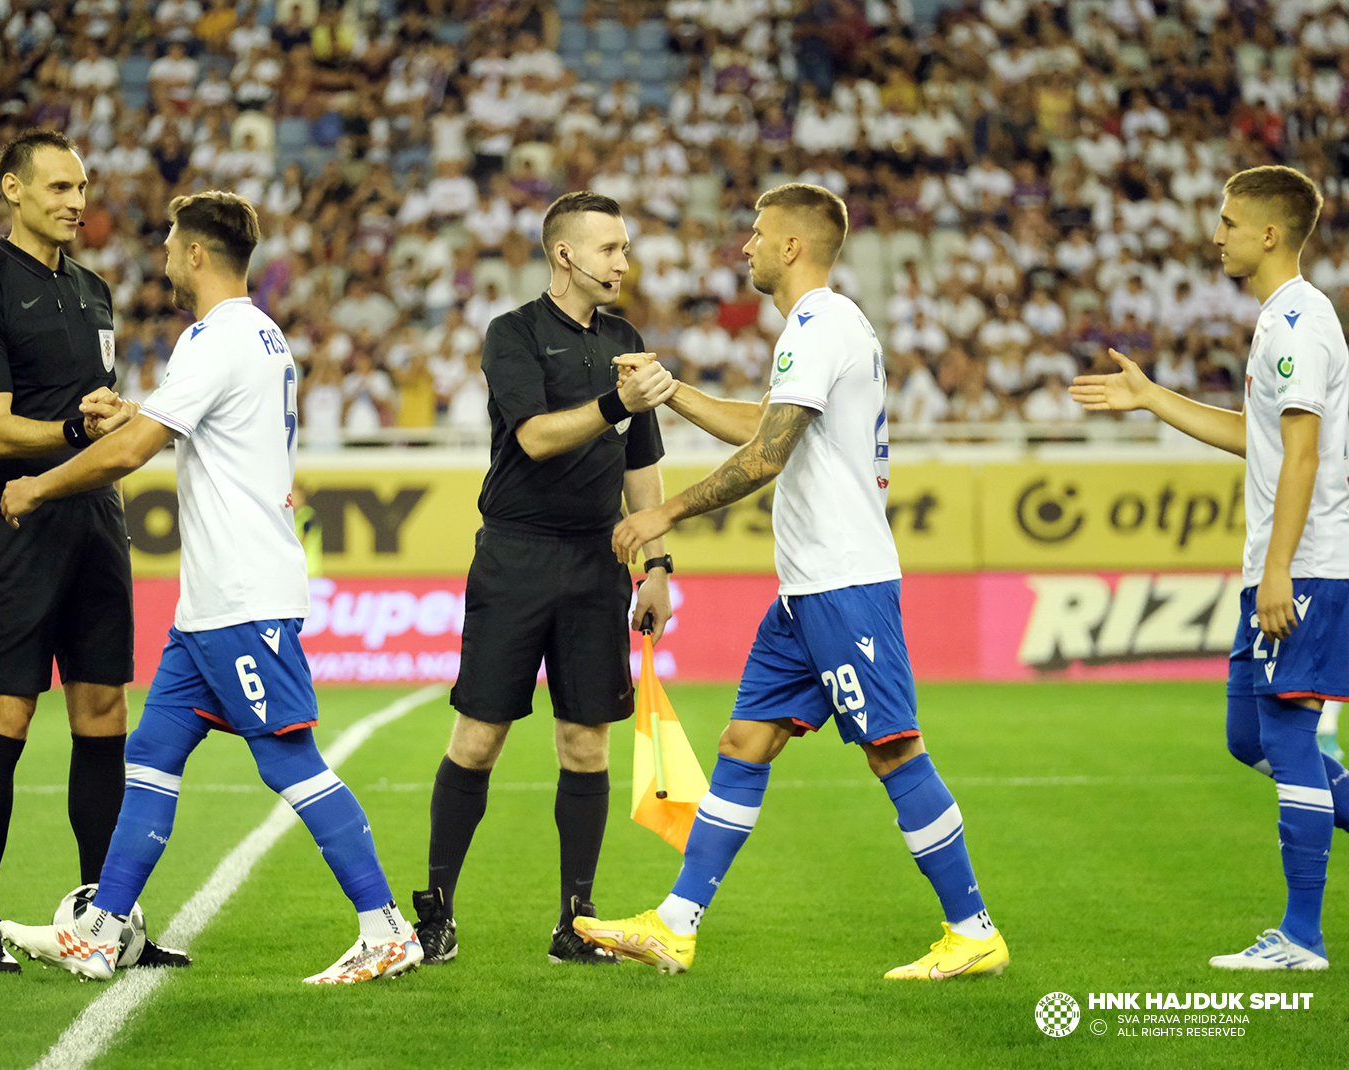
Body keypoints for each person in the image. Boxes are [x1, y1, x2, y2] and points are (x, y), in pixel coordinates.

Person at [574, 183, 1009, 979]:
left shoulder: (818, 323)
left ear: (792, 247)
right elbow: (769, 422)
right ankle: (675, 924)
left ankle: (973, 929)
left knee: (894, 751)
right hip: (807, 589)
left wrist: (662, 515)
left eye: (756, 232)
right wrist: (673, 392)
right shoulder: (823, 327)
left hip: (844, 583)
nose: (745, 246)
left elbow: (767, 455)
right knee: (744, 742)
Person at [0, 191, 422, 984]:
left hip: (242, 596)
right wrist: (136, 409)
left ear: (195, 253)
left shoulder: (213, 337)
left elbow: (131, 456)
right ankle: (102, 927)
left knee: (291, 761)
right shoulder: (261, 334)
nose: (161, 250)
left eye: (168, 239)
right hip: (213, 605)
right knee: (154, 752)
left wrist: (37, 487)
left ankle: (385, 928)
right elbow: (195, 427)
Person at [1072, 165, 1349, 970]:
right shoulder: (1280, 321)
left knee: (1290, 738)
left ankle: (1301, 937)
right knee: (1246, 736)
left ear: (1269, 233)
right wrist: (1154, 398)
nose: (1213, 234)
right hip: (1284, 563)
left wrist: (1277, 571)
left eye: (1228, 221)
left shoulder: (1299, 321)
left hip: (1305, 566)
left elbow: (1301, 457)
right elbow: (1259, 440)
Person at [411, 191, 680, 967]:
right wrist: (614, 400)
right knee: (480, 735)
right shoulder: (513, 335)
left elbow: (642, 465)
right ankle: (435, 912)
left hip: (599, 561)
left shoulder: (627, 340)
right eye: (610, 249)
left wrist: (656, 564)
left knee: (586, 744)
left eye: (626, 248)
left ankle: (576, 921)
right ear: (564, 255)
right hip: (517, 555)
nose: (624, 262)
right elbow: (532, 439)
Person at [0, 128, 183, 974]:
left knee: (103, 716)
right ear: (10, 187)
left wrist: (107, 423)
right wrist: (72, 428)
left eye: (81, 187)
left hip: (94, 518)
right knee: (6, 717)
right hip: (18, 520)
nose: (75, 201)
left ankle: (103, 922)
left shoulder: (93, 290)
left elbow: (92, 408)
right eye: (57, 187)